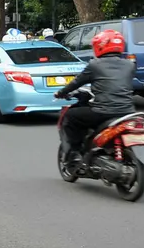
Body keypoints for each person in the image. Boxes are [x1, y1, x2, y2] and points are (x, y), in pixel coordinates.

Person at [54, 28, 136, 164]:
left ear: (100, 46)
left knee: (71, 116)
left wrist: (61, 93)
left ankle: (73, 153)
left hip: (103, 111)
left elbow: (76, 82)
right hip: (128, 112)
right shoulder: (130, 65)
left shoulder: (95, 65)